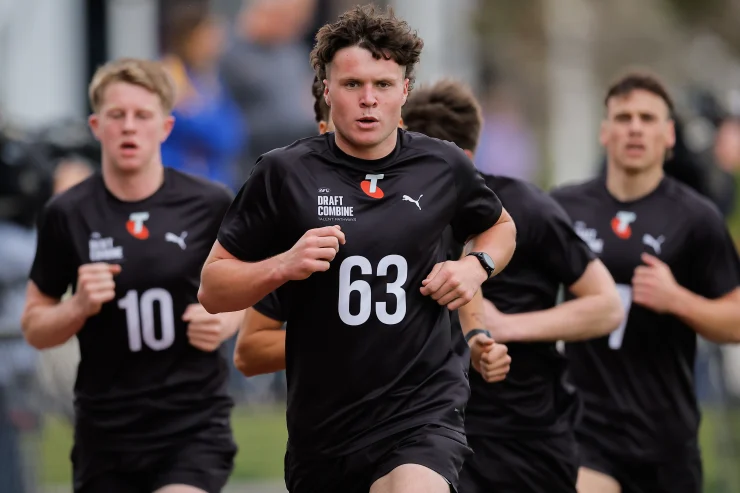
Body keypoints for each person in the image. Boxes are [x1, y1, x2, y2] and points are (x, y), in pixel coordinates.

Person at [198, 6, 517, 493]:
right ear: (327, 90)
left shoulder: (442, 166)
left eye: (383, 85)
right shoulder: (283, 174)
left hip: (421, 415)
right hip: (324, 435)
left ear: (405, 91)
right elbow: (213, 289)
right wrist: (285, 264)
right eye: (352, 85)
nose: (368, 100)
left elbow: (500, 226)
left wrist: (476, 267)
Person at [21, 58, 242, 493]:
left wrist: (224, 321)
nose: (129, 127)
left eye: (142, 116)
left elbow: (252, 289)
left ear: (165, 127)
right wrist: (77, 307)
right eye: (116, 115)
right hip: (106, 434)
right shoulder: (67, 213)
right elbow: (34, 325)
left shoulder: (209, 203)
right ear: (95, 125)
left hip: (191, 425)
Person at [400, 79, 623, 493]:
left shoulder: (527, 210)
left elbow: (607, 306)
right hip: (426, 433)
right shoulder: (397, 218)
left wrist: (509, 327)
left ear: (466, 159)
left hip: (524, 436)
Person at [233, 78, 511, 386]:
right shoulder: (305, 236)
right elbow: (249, 351)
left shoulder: (438, 206)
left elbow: (467, 263)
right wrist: (348, 341)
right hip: (334, 415)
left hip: (431, 408)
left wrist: (476, 335)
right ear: (322, 134)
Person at [551, 72, 740, 493]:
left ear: (669, 134)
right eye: (623, 117)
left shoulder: (697, 218)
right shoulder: (564, 208)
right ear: (605, 131)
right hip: (585, 429)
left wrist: (679, 300)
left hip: (666, 439)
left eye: (648, 118)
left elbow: (736, 320)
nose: (635, 127)